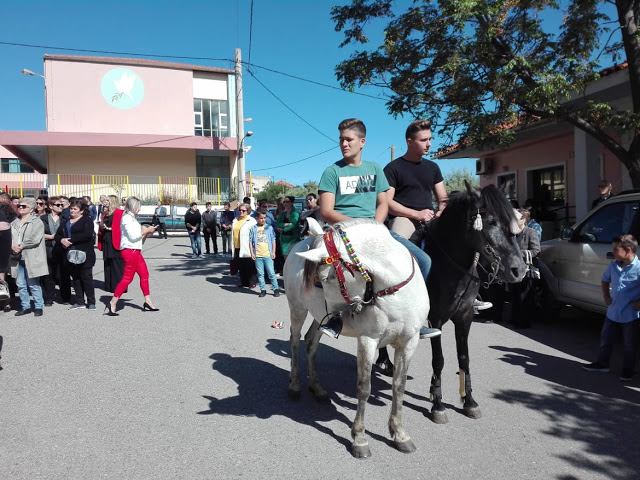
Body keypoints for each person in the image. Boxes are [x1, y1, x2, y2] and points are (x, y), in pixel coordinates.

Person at [317, 118, 440, 339]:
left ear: (362, 142)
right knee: (328, 269)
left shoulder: (374, 169)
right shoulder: (332, 172)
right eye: (341, 140)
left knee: (423, 261)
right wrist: (356, 225)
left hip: (374, 230)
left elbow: (383, 203)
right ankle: (335, 317)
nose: (344, 144)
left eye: (349, 139)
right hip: (341, 232)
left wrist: (375, 225)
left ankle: (417, 319)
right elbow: (326, 211)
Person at [582, 234, 640, 382]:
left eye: (615, 250)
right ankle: (602, 363)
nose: (612, 252)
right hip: (613, 312)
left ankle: (628, 371)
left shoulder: (638, 268)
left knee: (629, 344)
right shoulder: (613, 265)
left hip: (631, 315)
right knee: (606, 338)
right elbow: (604, 280)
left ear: (628, 250)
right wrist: (606, 296)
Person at [107, 196, 159, 316]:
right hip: (129, 251)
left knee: (144, 274)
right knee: (127, 278)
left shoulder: (133, 219)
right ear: (133, 206)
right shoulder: (126, 218)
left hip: (135, 250)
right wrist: (146, 231)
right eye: (139, 206)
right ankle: (113, 301)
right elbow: (133, 236)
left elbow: (139, 240)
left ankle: (148, 301)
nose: (140, 209)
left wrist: (147, 232)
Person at [55, 199, 97, 310]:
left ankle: (91, 301)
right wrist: (62, 240)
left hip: (85, 254)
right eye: (71, 208)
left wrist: (70, 241)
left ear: (82, 211)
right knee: (76, 279)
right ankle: (80, 301)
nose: (72, 211)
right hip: (70, 255)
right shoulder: (66, 222)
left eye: (75, 209)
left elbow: (87, 235)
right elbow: (57, 235)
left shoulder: (86, 220)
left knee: (86, 278)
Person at [11, 197, 48, 316]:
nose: (20, 208)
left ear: (31, 208)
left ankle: (38, 306)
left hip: (31, 256)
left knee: (33, 283)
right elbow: (9, 237)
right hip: (16, 257)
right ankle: (25, 306)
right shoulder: (14, 222)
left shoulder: (37, 222)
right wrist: (12, 246)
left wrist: (20, 246)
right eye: (19, 206)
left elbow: (35, 239)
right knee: (20, 284)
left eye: (23, 206)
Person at [510, 209, 541, 328]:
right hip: (514, 268)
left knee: (524, 296)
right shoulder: (513, 233)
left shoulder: (530, 232)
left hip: (526, 269)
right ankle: (515, 318)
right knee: (514, 294)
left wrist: (518, 253)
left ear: (523, 220)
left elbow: (536, 251)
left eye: (515, 219)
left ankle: (523, 321)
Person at [41, 196, 71, 306]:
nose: (60, 207)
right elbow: (38, 234)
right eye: (58, 205)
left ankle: (66, 297)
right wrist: (51, 236)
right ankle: (49, 297)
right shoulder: (43, 219)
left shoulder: (65, 218)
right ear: (50, 206)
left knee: (63, 274)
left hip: (62, 249)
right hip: (48, 249)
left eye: (62, 205)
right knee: (48, 275)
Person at [249, 211, 280, 297]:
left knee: (271, 272)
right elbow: (250, 241)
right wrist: (252, 253)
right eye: (261, 218)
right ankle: (263, 289)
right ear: (257, 218)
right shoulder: (253, 228)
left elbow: (273, 240)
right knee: (260, 273)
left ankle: (276, 289)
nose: (263, 220)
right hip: (258, 255)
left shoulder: (269, 227)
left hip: (268, 254)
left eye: (264, 218)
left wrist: (273, 252)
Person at [100, 195, 125, 293]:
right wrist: (102, 226)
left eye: (107, 200)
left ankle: (118, 287)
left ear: (112, 202)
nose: (105, 202)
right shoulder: (106, 213)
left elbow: (122, 228)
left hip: (115, 239)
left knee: (116, 264)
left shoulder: (119, 213)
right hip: (107, 239)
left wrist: (110, 229)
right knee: (108, 262)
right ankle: (109, 285)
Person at [232, 202, 257, 288]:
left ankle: (252, 282)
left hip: (246, 246)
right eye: (240, 210)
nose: (241, 212)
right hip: (237, 246)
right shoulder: (235, 220)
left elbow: (255, 235)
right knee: (240, 265)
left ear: (248, 211)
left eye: (243, 210)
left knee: (249, 265)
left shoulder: (251, 221)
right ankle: (244, 282)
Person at [0, 195, 16, 311]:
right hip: (5, 238)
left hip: (4, 240)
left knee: (2, 271)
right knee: (2, 271)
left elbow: (5, 227)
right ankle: (6, 303)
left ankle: (6, 302)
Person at [276, 195, 300, 262]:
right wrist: (285, 224)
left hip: (293, 239)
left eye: (287, 202)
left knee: (293, 259)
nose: (285, 204)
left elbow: (293, 225)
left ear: (292, 203)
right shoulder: (283, 214)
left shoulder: (295, 213)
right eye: (284, 202)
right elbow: (278, 223)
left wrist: (283, 229)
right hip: (284, 240)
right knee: (286, 259)